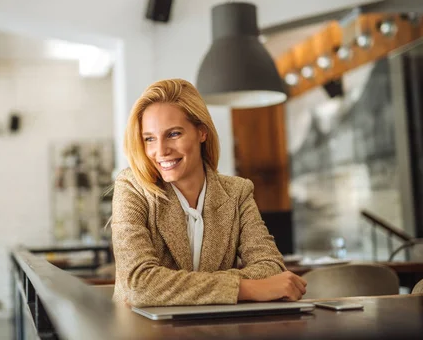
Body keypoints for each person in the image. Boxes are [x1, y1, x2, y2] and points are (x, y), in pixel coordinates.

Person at [110, 78, 306, 307]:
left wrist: (168, 286)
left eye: (173, 134)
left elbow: (271, 268)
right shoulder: (132, 187)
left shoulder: (237, 192)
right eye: (149, 139)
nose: (160, 151)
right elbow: (139, 285)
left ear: (201, 132)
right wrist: (245, 288)